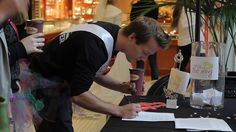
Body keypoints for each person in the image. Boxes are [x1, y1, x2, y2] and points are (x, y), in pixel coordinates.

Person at [27, 16, 171, 132]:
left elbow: (93, 72)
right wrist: (119, 110)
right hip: (44, 83)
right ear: (132, 37)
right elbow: (78, 94)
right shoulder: (96, 44)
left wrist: (120, 87)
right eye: (145, 52)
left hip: (56, 80)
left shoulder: (113, 34)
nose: (144, 59)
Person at [93, 0, 132, 106]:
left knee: (99, 69)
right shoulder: (117, 11)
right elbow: (118, 30)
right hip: (114, 43)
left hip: (101, 43)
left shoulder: (100, 10)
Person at [130, 0, 159, 80]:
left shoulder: (136, 5)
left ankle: (139, 83)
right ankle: (155, 84)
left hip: (140, 36)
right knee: (153, 62)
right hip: (152, 36)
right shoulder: (154, 5)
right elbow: (155, 20)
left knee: (140, 62)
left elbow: (132, 20)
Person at [171, 2, 203, 71]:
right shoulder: (191, 9)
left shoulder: (178, 8)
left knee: (179, 69)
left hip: (182, 42)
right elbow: (199, 23)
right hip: (193, 41)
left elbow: (177, 27)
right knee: (194, 70)